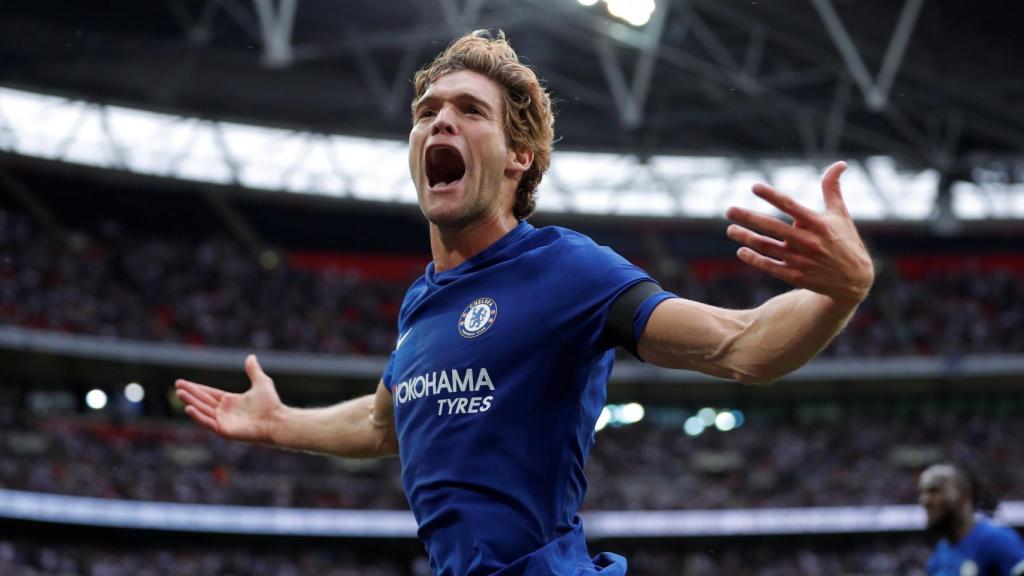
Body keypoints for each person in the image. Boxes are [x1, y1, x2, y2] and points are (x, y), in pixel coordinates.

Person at [175, 30, 875, 575]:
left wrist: (839, 293)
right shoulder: (421, 303)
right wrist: (280, 424)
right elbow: (384, 421)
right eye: (427, 112)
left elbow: (740, 343)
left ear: (519, 158)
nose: (439, 122)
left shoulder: (566, 270)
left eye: (468, 111)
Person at [919, 463, 1024, 576]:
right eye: (922, 492)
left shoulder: (997, 540)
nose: (924, 500)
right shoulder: (939, 556)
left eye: (934, 490)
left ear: (964, 494)